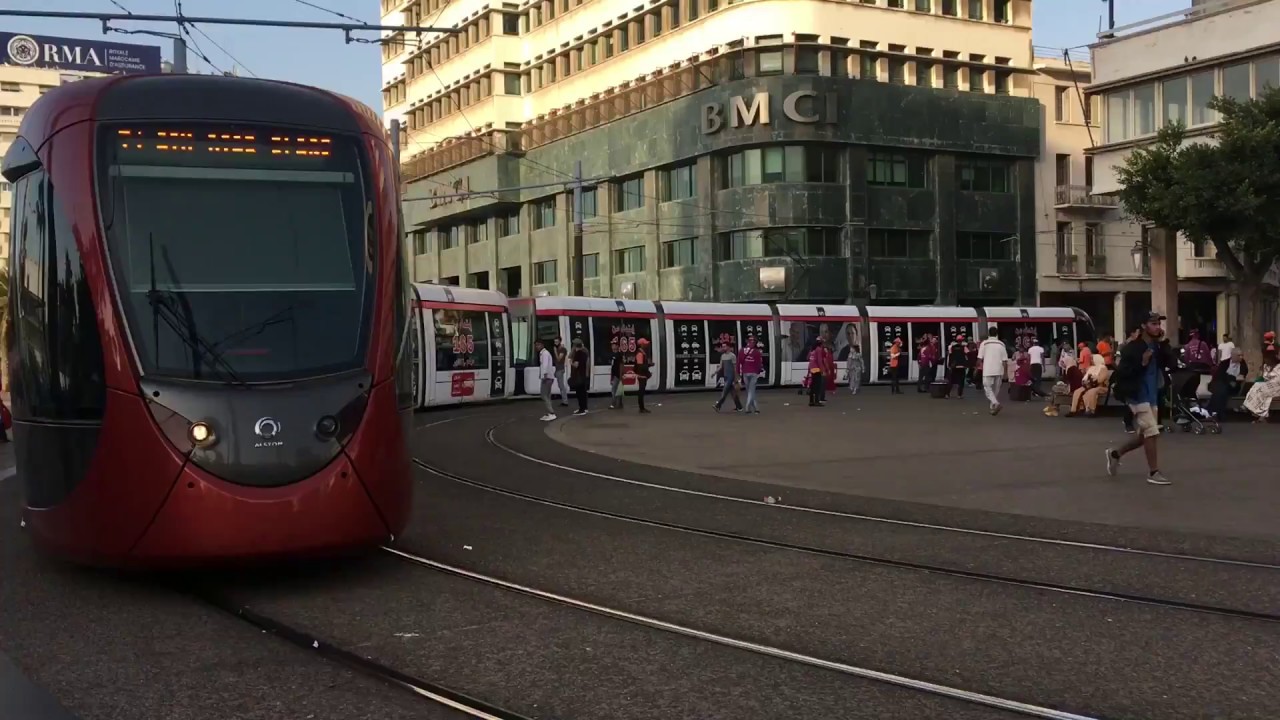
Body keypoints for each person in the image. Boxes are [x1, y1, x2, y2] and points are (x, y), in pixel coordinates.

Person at [1106, 312, 1174, 485]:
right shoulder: (1133, 348)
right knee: (1152, 431)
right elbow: (1122, 374)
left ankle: (1115, 454)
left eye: (1159, 323)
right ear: (1143, 326)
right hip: (1137, 395)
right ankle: (1153, 472)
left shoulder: (1157, 346)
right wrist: (1142, 364)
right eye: (1153, 323)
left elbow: (1172, 362)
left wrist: (1163, 344)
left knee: (1144, 436)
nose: (1158, 327)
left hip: (1152, 395)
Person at [1207, 350, 1247, 420]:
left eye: (1242, 355)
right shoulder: (1224, 363)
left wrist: (1229, 378)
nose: (1241, 357)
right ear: (1233, 356)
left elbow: (1241, 377)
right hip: (1219, 384)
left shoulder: (1243, 364)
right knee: (1221, 388)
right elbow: (1219, 376)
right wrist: (1232, 378)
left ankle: (1212, 411)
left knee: (1221, 389)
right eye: (1239, 355)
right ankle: (1219, 413)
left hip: (1233, 387)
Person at [1243, 349, 1280, 423]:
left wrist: (1269, 380)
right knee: (1258, 386)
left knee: (1260, 387)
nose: (1266, 360)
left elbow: (1278, 379)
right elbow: (1264, 377)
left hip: (1277, 387)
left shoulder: (1278, 366)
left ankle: (1250, 407)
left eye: (1267, 359)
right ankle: (1254, 409)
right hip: (1268, 386)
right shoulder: (1266, 366)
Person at [978, 328, 1009, 415]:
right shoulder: (1001, 344)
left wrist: (976, 369)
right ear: (997, 334)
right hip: (999, 370)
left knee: (987, 388)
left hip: (988, 370)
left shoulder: (984, 343)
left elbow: (979, 358)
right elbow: (1005, 361)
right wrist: (1006, 373)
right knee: (995, 390)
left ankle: (995, 404)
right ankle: (992, 408)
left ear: (988, 333)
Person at [714, 342, 743, 412]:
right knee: (733, 393)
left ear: (729, 347)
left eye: (725, 346)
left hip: (731, 377)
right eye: (722, 347)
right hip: (726, 376)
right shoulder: (723, 356)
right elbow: (721, 366)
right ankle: (739, 407)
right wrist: (715, 372)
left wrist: (736, 377)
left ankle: (718, 405)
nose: (723, 348)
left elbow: (735, 367)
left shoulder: (732, 356)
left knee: (725, 392)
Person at [739, 334, 763, 413]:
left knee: (749, 390)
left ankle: (756, 408)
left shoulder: (742, 350)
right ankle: (747, 407)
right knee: (751, 390)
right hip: (753, 373)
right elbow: (759, 364)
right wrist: (758, 371)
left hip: (745, 372)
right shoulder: (757, 352)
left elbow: (739, 362)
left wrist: (738, 372)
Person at [535, 339, 557, 421]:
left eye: (538, 345)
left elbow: (545, 365)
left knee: (544, 395)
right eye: (536, 345)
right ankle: (549, 413)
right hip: (548, 377)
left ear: (542, 345)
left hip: (547, 377)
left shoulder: (544, 354)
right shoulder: (544, 353)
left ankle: (552, 413)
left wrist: (544, 375)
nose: (536, 347)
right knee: (547, 395)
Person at [568, 338, 590, 415]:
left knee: (579, 393)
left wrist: (571, 363)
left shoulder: (578, 353)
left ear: (575, 345)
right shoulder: (585, 353)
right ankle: (584, 408)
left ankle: (582, 409)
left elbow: (576, 365)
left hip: (578, 376)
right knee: (583, 392)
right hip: (583, 375)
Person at [633, 338, 652, 414]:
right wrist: (648, 365)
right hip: (642, 376)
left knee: (642, 391)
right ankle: (641, 408)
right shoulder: (640, 354)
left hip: (643, 375)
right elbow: (640, 366)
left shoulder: (643, 353)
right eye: (645, 343)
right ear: (641, 344)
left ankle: (642, 408)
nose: (646, 345)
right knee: (641, 392)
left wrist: (648, 365)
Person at [808, 338, 829, 406]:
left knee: (813, 386)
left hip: (812, 369)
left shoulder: (812, 350)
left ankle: (811, 401)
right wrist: (823, 370)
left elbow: (809, 358)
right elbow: (819, 361)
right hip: (817, 369)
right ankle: (817, 401)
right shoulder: (818, 349)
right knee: (818, 386)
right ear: (821, 344)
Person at [552, 336, 570, 408]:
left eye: (556, 342)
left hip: (560, 369)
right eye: (555, 342)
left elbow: (559, 359)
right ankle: (564, 400)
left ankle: (565, 401)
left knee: (561, 385)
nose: (555, 343)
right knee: (560, 385)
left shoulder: (562, 349)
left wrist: (555, 351)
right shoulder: (560, 348)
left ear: (560, 341)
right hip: (558, 369)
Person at [609, 340, 626, 410]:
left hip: (617, 375)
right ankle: (620, 404)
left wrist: (620, 375)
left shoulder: (619, 355)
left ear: (617, 346)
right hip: (615, 375)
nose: (612, 346)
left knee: (614, 390)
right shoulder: (613, 355)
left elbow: (621, 365)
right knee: (618, 390)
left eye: (614, 345)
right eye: (612, 345)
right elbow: (612, 366)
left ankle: (614, 403)